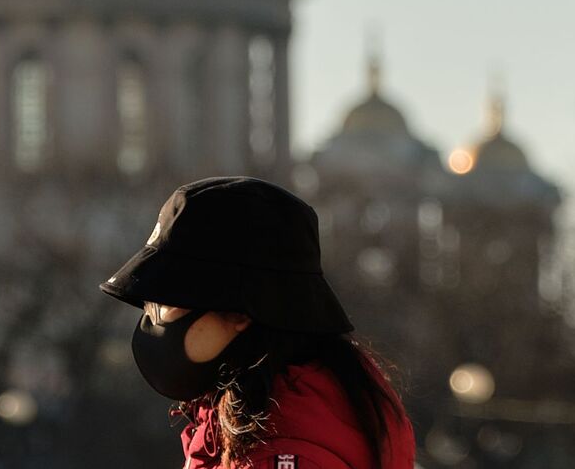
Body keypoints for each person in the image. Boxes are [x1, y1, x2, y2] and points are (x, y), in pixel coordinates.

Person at [100, 177, 415, 469]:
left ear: (240, 313)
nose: (150, 323)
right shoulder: (263, 418)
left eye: (163, 305)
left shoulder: (283, 452)